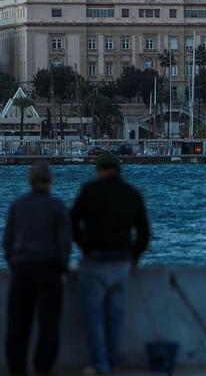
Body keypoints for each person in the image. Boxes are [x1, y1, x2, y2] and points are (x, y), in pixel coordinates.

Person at [70, 153, 150, 374]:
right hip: (121, 262)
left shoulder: (89, 191)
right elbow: (144, 232)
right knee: (116, 316)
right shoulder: (132, 194)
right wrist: (134, 256)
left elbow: (72, 221)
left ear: (99, 170)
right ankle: (114, 362)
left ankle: (100, 365)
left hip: (95, 261)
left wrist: (84, 246)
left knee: (94, 316)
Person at [3, 162, 71, 376]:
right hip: (49, 269)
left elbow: (8, 242)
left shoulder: (17, 206)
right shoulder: (57, 206)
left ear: (30, 181)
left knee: (18, 324)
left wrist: (14, 263)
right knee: (48, 323)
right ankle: (43, 367)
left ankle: (17, 368)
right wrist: (62, 267)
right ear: (50, 181)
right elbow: (64, 243)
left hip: (22, 269)